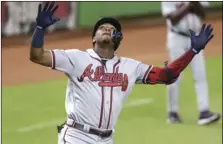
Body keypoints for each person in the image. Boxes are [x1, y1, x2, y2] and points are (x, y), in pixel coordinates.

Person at [30, 2, 215, 144]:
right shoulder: (75, 58)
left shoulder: (130, 67)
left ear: (117, 39)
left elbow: (166, 76)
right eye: (102, 28)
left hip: (106, 139)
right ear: (93, 38)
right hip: (76, 136)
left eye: (112, 30)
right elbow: (37, 56)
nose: (106, 30)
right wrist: (39, 29)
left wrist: (192, 52)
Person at [161, 1, 220, 125]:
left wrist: (195, 4)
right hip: (176, 38)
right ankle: (173, 113)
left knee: (200, 75)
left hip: (195, 38)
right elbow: (173, 19)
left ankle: (204, 112)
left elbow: (203, 14)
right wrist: (189, 6)